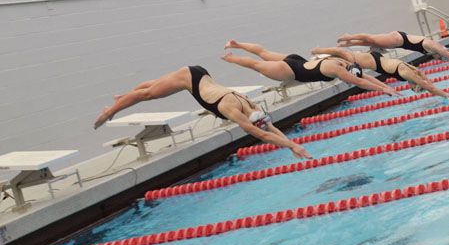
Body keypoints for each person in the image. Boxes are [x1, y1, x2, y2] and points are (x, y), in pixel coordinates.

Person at [93, 66, 311, 159]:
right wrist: (293, 146)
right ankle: (109, 111)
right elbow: (263, 135)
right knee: (148, 94)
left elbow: (269, 128)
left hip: (200, 74)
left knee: (154, 86)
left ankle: (120, 99)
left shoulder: (253, 107)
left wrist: (292, 145)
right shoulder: (232, 109)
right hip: (192, 79)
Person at [221, 40, 401, 97]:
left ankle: (236, 45)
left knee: (263, 52)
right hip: (290, 70)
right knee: (256, 65)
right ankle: (231, 59)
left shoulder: (341, 61)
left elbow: (364, 78)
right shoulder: (339, 70)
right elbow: (359, 81)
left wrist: (385, 87)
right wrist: (384, 89)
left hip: (298, 60)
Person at [311, 46, 449, 98]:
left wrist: (385, 88)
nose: (410, 87)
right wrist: (447, 95)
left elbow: (425, 80)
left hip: (377, 60)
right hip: (374, 61)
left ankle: (322, 56)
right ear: (415, 85)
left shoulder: (411, 72)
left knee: (349, 67)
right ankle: (319, 52)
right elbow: (430, 87)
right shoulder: (407, 74)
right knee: (343, 56)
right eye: (413, 88)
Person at [337, 31, 449, 70]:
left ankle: (347, 43)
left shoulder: (432, 50)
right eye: (440, 57)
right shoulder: (434, 46)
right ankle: (349, 36)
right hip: (398, 39)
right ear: (442, 51)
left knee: (369, 42)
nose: (438, 58)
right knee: (372, 39)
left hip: (398, 43)